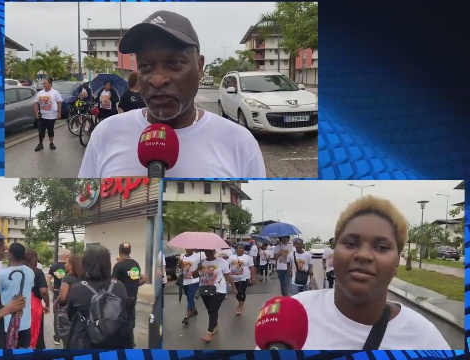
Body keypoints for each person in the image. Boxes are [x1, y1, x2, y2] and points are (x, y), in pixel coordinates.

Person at [78, 10, 266, 178]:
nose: (157, 80)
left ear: (199, 67)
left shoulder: (240, 142)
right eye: (145, 66)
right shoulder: (106, 134)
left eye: (174, 63)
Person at [287, 196, 450, 350]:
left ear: (396, 264)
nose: (363, 255)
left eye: (381, 247)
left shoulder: (425, 340)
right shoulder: (296, 311)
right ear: (333, 255)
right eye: (351, 244)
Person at [66, 245, 132, 349]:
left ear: (86, 263)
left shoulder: (77, 288)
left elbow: (71, 316)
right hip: (115, 343)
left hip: (85, 343)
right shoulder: (119, 286)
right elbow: (126, 313)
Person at [0, 243, 35, 349]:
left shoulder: (2, 275)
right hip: (25, 321)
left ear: (10, 255)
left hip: (7, 323)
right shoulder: (30, 272)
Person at [197, 249, 237, 343]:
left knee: (212, 309)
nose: (208, 254)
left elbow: (228, 276)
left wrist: (233, 287)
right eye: (206, 252)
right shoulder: (202, 262)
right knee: (210, 309)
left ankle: (210, 332)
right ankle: (214, 325)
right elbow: (195, 275)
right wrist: (198, 268)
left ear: (214, 252)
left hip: (219, 290)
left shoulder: (222, 262)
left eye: (210, 252)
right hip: (204, 289)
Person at [112, 242, 146, 346]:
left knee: (120, 320)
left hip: (121, 299)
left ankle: (121, 342)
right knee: (130, 320)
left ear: (119, 251)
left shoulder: (118, 265)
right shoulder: (135, 264)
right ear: (129, 251)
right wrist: (135, 285)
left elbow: (113, 283)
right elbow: (144, 278)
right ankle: (130, 341)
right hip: (133, 297)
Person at [56, 253, 83, 348]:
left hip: (66, 314)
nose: (65, 265)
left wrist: (57, 301)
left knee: (67, 342)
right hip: (81, 315)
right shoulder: (85, 279)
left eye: (67, 263)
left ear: (72, 265)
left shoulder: (67, 279)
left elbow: (63, 297)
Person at [24, 250, 50, 349]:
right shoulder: (37, 272)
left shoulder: (16, 270)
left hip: (18, 304)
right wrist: (47, 304)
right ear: (34, 259)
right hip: (34, 305)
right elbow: (43, 291)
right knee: (37, 334)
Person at [33, 77, 62, 151]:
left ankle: (51, 143)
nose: (44, 84)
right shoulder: (40, 93)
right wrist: (36, 112)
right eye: (43, 83)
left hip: (52, 115)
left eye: (45, 83)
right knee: (41, 130)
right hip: (42, 115)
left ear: (50, 84)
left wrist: (59, 112)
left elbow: (59, 102)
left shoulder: (55, 92)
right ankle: (40, 144)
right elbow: (36, 103)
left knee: (50, 130)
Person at [48, 249, 70, 345]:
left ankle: (57, 337)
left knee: (57, 316)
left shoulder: (54, 266)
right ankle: (67, 335)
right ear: (67, 257)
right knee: (68, 314)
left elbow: (48, 279)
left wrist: (52, 289)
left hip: (57, 292)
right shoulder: (70, 267)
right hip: (69, 293)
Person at [228, 244, 256, 316]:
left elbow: (252, 268)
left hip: (244, 278)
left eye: (240, 248)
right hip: (233, 279)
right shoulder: (231, 257)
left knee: (241, 292)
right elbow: (227, 266)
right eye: (237, 248)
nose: (238, 249)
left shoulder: (248, 258)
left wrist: (253, 278)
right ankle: (240, 302)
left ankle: (240, 307)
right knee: (236, 292)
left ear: (243, 249)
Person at [178, 249, 200, 325]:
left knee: (190, 297)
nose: (188, 248)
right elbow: (179, 268)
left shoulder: (198, 256)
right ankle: (194, 310)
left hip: (194, 280)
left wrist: (198, 268)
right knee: (188, 297)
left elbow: (202, 265)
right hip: (184, 281)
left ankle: (187, 315)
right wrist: (180, 263)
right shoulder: (182, 256)